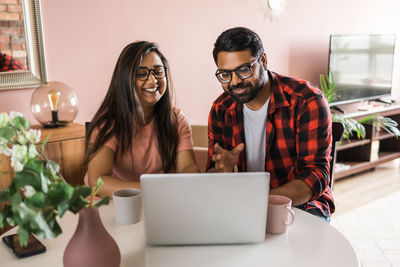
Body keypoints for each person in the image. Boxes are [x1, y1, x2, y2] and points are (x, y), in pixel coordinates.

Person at [207, 27, 334, 221]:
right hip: (245, 206)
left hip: (302, 206)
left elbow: (316, 175)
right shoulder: (221, 109)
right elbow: (213, 172)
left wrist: (259, 201)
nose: (234, 82)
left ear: (263, 61)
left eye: (243, 70)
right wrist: (221, 171)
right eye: (225, 74)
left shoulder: (306, 100)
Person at [84, 41, 200, 197]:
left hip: (158, 201)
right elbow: (98, 181)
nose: (153, 80)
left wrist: (194, 182)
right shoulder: (109, 122)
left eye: (158, 71)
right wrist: (153, 190)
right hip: (113, 202)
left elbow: (187, 168)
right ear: (125, 79)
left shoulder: (176, 119)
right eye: (141, 73)